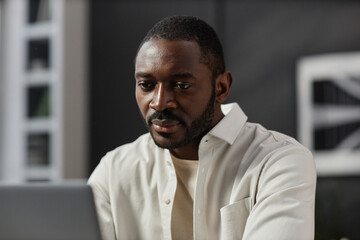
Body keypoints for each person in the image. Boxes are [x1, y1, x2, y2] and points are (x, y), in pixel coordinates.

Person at [88, 15, 316, 240]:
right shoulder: (113, 171)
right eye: (146, 85)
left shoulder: (279, 162)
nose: (159, 102)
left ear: (221, 88)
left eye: (181, 85)